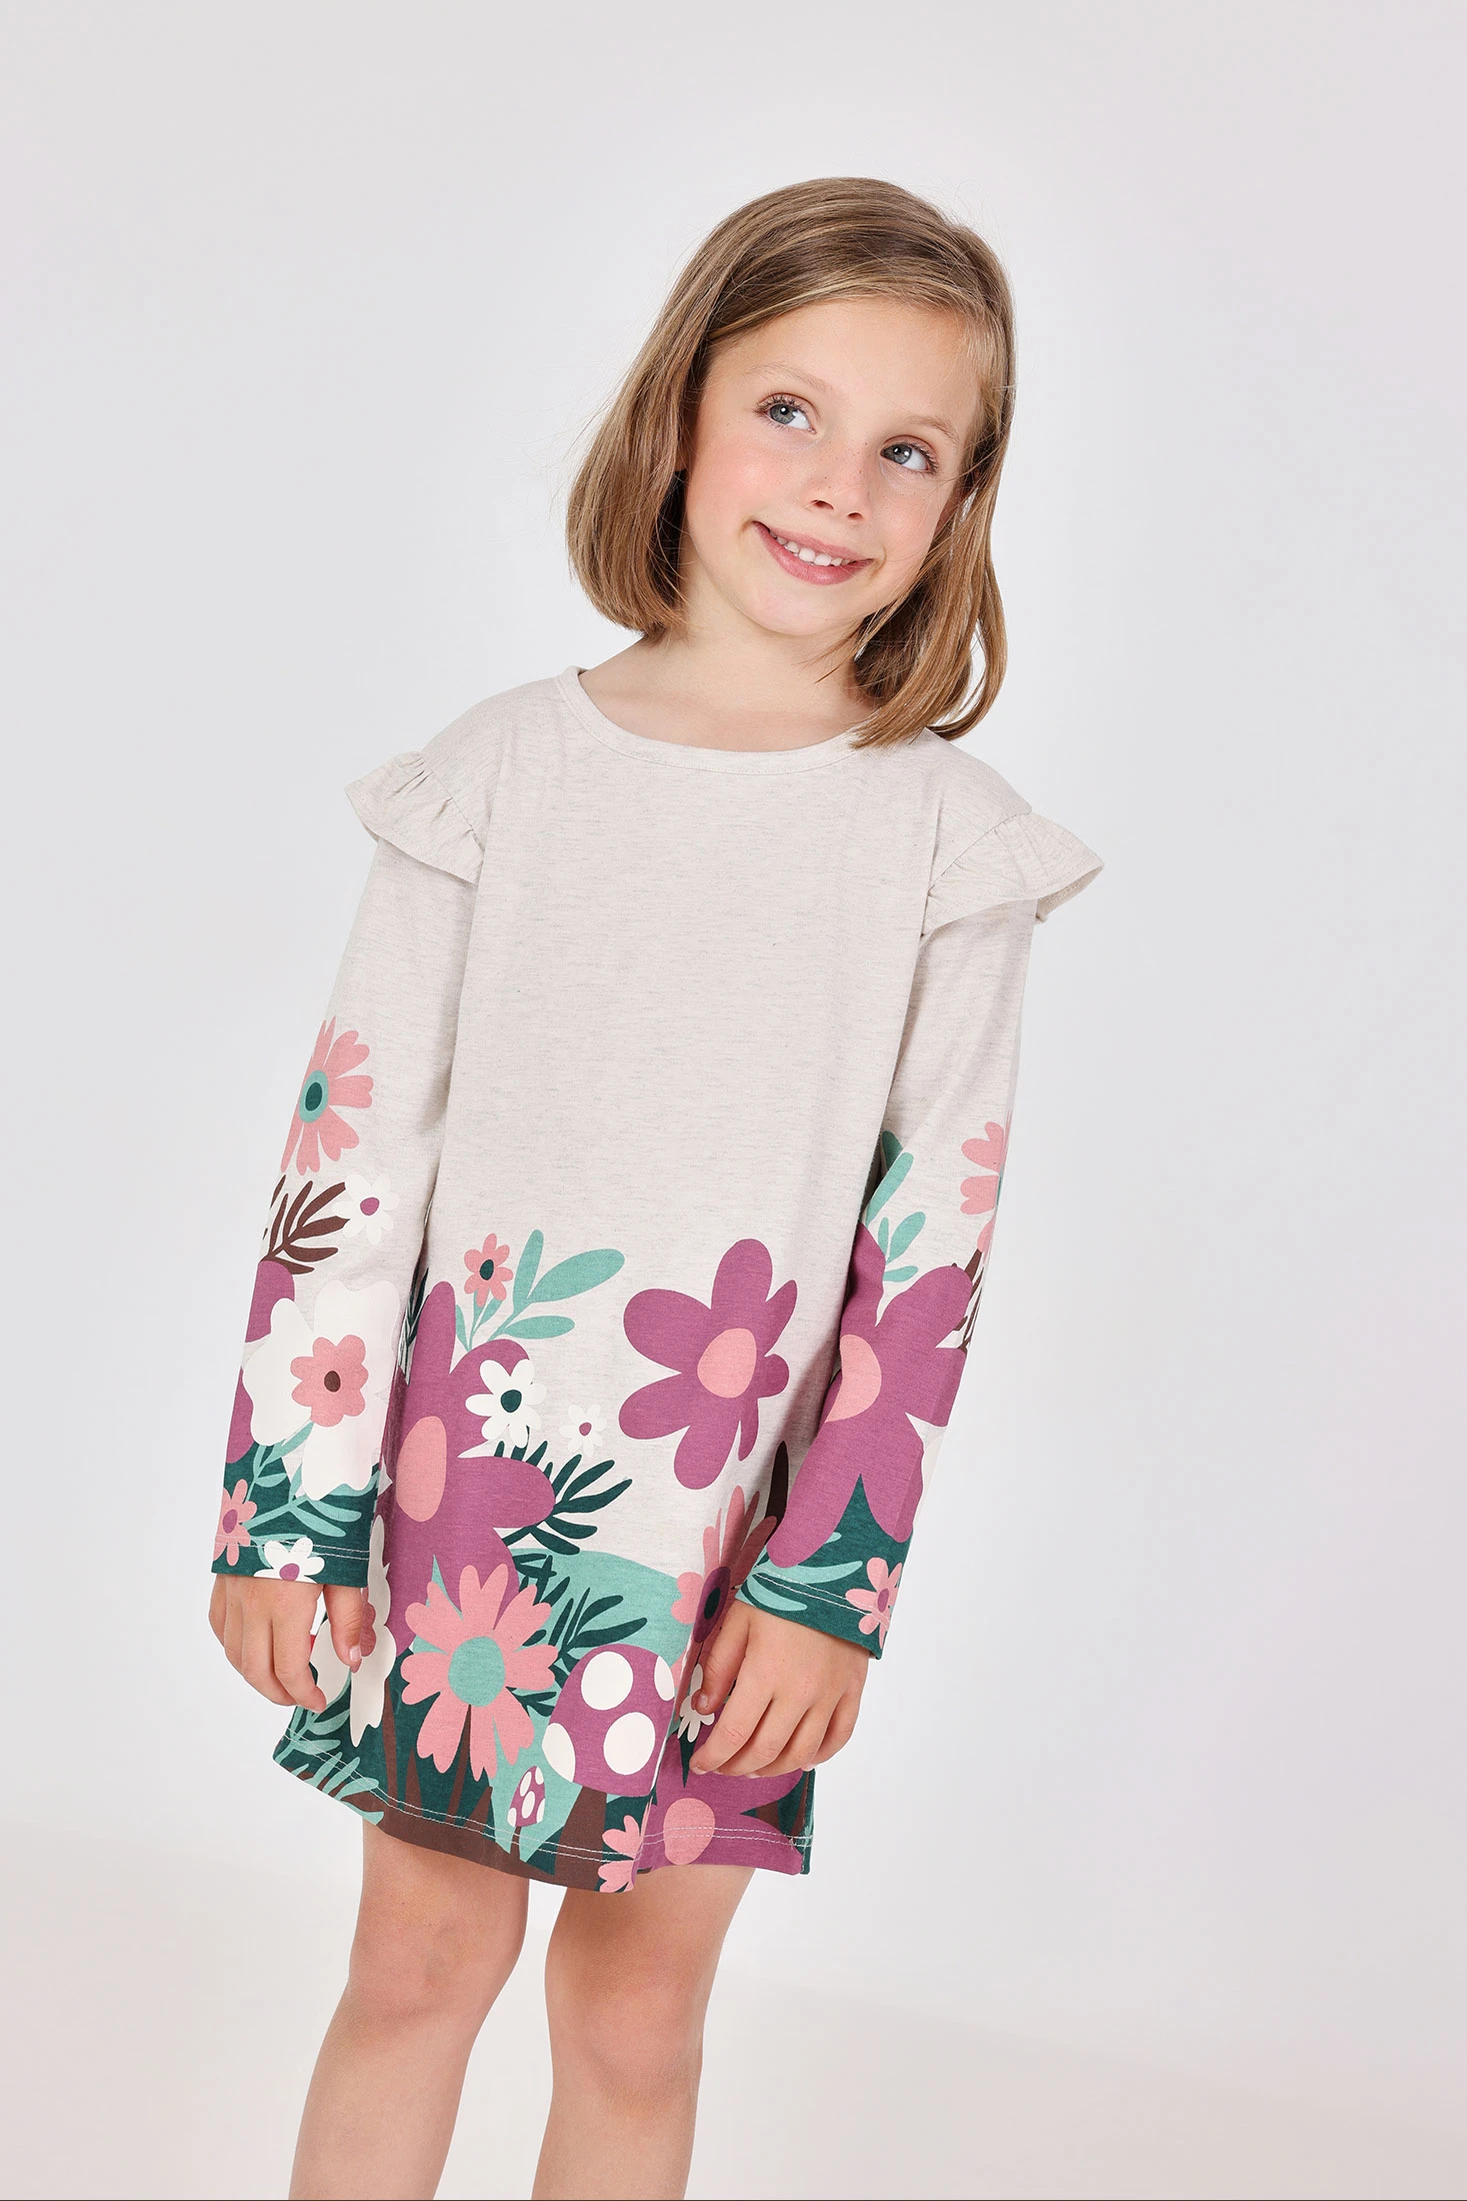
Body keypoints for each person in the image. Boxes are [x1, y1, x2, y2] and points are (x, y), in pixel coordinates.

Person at [208, 174, 1103, 2201]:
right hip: (470, 1503)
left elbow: (926, 1259)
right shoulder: (497, 775)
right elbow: (351, 1152)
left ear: (961, 502)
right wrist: (285, 1504)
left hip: (737, 1548)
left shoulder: (950, 848)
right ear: (679, 411)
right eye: (789, 411)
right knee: (416, 1961)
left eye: (909, 450)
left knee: (634, 2013)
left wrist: (829, 1590)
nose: (840, 485)